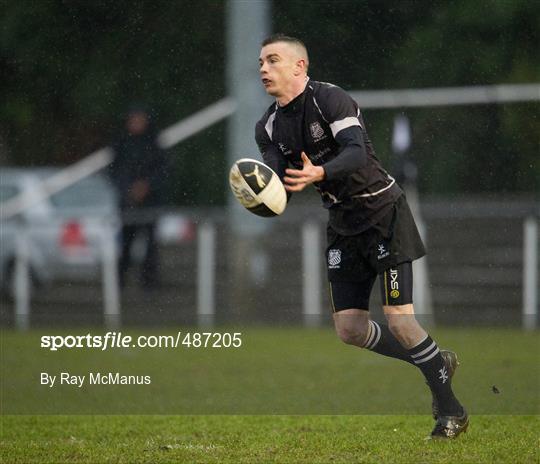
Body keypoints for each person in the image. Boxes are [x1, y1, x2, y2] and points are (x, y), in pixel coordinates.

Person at [255, 34, 468, 439]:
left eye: (273, 60)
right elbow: (273, 178)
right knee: (350, 330)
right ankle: (435, 362)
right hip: (342, 225)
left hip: (382, 213)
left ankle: (451, 412)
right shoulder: (266, 126)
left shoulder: (331, 100)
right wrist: (260, 193)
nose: (264, 68)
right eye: (261, 62)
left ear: (300, 66)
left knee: (401, 323)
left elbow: (356, 153)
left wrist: (320, 171)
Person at [109, 106, 168, 290]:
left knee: (150, 245)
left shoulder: (154, 143)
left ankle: (149, 284)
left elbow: (163, 170)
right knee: (126, 244)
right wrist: (129, 189)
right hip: (128, 204)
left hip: (150, 203)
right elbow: (115, 172)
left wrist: (147, 186)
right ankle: (120, 283)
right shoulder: (122, 143)